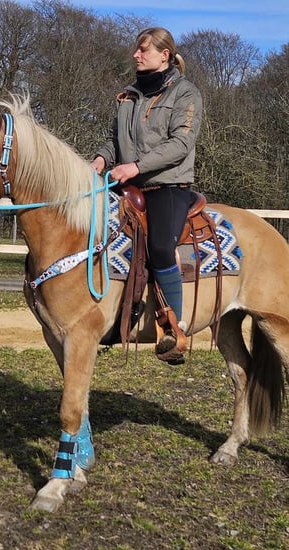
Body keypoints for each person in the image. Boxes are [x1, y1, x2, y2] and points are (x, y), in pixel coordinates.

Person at [91, 27, 203, 363]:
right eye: (136, 51)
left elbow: (181, 144)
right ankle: (108, 315)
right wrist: (101, 159)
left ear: (164, 55)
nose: (136, 56)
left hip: (167, 184)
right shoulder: (127, 96)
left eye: (144, 51)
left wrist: (135, 167)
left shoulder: (185, 94)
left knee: (159, 247)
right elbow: (114, 139)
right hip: (128, 180)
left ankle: (173, 328)